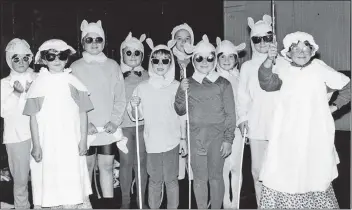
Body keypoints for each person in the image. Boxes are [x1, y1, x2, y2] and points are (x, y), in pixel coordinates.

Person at [257, 31, 350, 209]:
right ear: (288, 53)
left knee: (313, 173)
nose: (301, 52)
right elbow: (266, 83)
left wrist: (334, 107)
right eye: (295, 48)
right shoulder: (283, 68)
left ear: (312, 50)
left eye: (306, 47)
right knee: (283, 173)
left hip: (314, 134)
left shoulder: (320, 68)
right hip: (286, 134)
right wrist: (269, 60)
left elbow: (347, 86)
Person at [23, 39, 93, 209]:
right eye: (51, 56)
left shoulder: (73, 82)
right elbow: (33, 117)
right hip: (47, 142)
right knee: (49, 179)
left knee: (71, 178)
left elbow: (83, 113)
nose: (56, 60)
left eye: (61, 56)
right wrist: (37, 145)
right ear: (44, 59)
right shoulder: (39, 84)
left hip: (70, 141)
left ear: (67, 58)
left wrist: (83, 139)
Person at [174, 35, 237, 209]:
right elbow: (180, 110)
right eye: (199, 58)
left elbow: (231, 114)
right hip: (196, 138)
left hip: (217, 138)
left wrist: (228, 139)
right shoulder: (189, 83)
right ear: (193, 60)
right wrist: (181, 91)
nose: (204, 62)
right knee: (199, 178)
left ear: (214, 59)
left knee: (216, 177)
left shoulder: (223, 83)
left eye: (209, 58)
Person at [71, 20, 126, 207]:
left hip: (107, 128)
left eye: (98, 39)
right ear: (82, 42)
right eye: (89, 39)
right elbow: (73, 100)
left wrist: (115, 121)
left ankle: (109, 205)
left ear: (104, 42)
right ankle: (85, 203)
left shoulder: (113, 66)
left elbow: (120, 97)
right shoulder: (75, 67)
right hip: (86, 128)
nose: (94, 43)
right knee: (86, 167)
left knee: (107, 167)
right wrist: (85, 124)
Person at [127, 38, 187, 209]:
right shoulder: (142, 87)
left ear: (171, 63)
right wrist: (134, 106)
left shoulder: (177, 86)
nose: (160, 64)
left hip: (172, 140)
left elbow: (182, 114)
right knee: (155, 180)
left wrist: (183, 139)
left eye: (165, 61)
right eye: (156, 60)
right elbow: (136, 117)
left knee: (171, 180)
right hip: (152, 141)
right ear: (151, 61)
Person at [236, 14, 279, 205]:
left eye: (267, 38)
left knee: (279, 169)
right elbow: (242, 96)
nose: (262, 42)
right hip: (257, 126)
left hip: (279, 125)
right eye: (257, 39)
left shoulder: (283, 62)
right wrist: (243, 118)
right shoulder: (246, 67)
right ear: (252, 41)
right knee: (257, 171)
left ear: (273, 38)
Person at [1, 38, 37, 209]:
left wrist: (33, 93)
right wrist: (16, 93)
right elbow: (3, 111)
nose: (21, 62)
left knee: (41, 178)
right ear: (9, 60)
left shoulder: (39, 78)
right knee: (21, 182)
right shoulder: (3, 84)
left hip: (40, 136)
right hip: (16, 138)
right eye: (16, 58)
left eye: (25, 58)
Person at [215, 37, 246, 209]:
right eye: (222, 56)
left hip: (237, 130)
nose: (227, 60)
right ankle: (226, 201)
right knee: (223, 167)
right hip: (220, 131)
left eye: (231, 56)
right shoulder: (213, 79)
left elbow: (244, 103)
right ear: (217, 58)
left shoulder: (240, 78)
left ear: (236, 59)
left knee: (236, 166)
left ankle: (236, 202)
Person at [119, 32, 149, 209]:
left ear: (142, 56)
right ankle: (125, 202)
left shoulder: (148, 75)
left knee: (141, 163)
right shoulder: (116, 74)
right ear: (122, 54)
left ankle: (141, 201)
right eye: (128, 52)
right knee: (125, 163)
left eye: (136, 53)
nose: (132, 56)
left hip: (143, 126)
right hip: (123, 126)